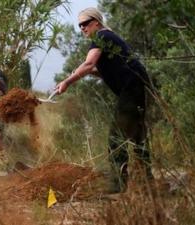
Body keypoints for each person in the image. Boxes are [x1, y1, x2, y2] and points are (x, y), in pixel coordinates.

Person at [56, 7, 153, 192]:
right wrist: (84, 73)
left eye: (85, 24)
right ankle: (147, 181)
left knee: (116, 137)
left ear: (96, 22)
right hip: (137, 87)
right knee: (137, 136)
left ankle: (118, 184)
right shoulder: (107, 37)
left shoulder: (101, 36)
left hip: (132, 88)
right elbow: (102, 68)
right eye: (79, 25)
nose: (82, 28)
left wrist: (67, 81)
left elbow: (89, 63)